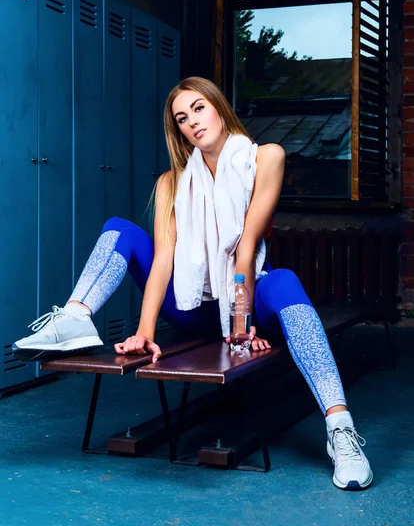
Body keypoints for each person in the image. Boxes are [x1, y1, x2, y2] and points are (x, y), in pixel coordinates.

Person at [12, 77, 372, 491]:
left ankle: (340, 430)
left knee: (285, 281)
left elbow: (245, 247)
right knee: (121, 229)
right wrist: (145, 332)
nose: (192, 122)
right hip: (188, 304)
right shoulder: (172, 182)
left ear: (218, 106)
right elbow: (163, 261)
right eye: (182, 118)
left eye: (198, 108)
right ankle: (77, 316)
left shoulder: (265, 158)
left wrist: (240, 327)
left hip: (246, 300)